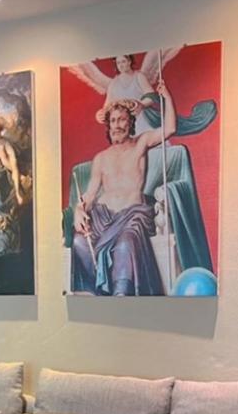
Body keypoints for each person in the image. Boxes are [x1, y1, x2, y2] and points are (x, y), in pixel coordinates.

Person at [71, 81, 177, 295]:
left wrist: (166, 96)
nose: (117, 125)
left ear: (130, 122)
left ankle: (121, 294)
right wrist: (79, 210)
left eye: (121, 119)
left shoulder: (141, 143)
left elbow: (170, 129)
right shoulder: (101, 158)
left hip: (132, 216)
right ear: (108, 126)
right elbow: (90, 194)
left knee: (124, 245)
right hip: (102, 217)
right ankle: (96, 293)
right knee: (79, 242)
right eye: (113, 120)